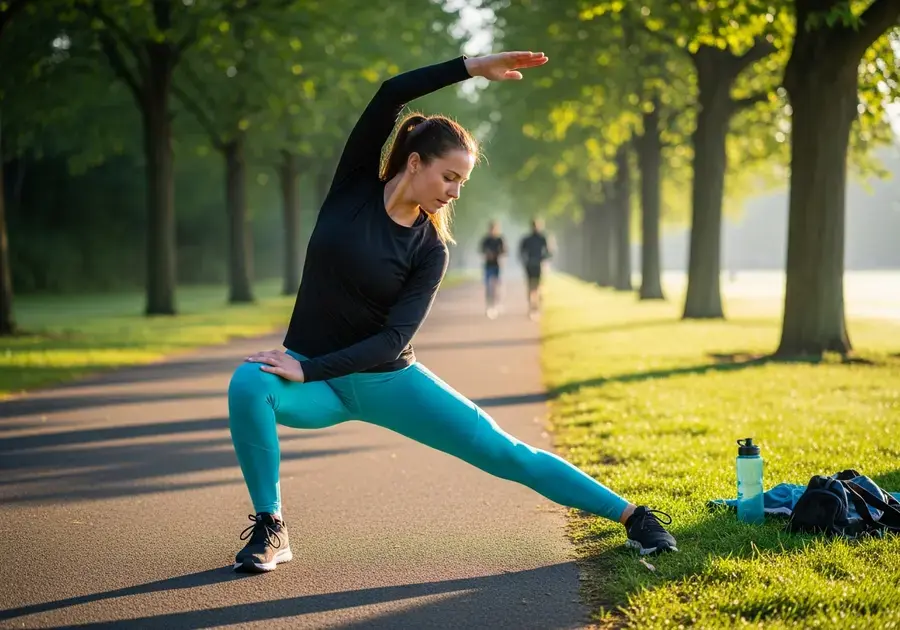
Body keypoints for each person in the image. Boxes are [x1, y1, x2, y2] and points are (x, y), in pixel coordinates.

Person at [227, 51, 678, 573]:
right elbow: (391, 92)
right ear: (415, 162)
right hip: (318, 383)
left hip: (386, 382)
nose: (454, 192)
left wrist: (307, 368)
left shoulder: (430, 250)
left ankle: (634, 517)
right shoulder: (352, 188)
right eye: (449, 177)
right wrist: (471, 67)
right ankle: (272, 527)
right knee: (248, 384)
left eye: (462, 182)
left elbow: (392, 341)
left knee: (505, 453)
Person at [518, 217, 552, 319]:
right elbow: (521, 252)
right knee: (531, 287)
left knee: (537, 287)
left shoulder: (543, 238)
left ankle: (536, 308)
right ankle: (532, 308)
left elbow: (548, 252)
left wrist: (543, 259)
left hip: (538, 265)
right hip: (530, 265)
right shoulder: (527, 239)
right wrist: (525, 261)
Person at [479, 220, 507, 319]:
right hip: (488, 265)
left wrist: (497, 254)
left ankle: (496, 304)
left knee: (497, 286)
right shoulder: (486, 240)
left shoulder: (500, 240)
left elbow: (504, 251)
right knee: (488, 287)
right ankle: (489, 306)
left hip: (497, 265)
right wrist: (487, 254)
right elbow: (481, 250)